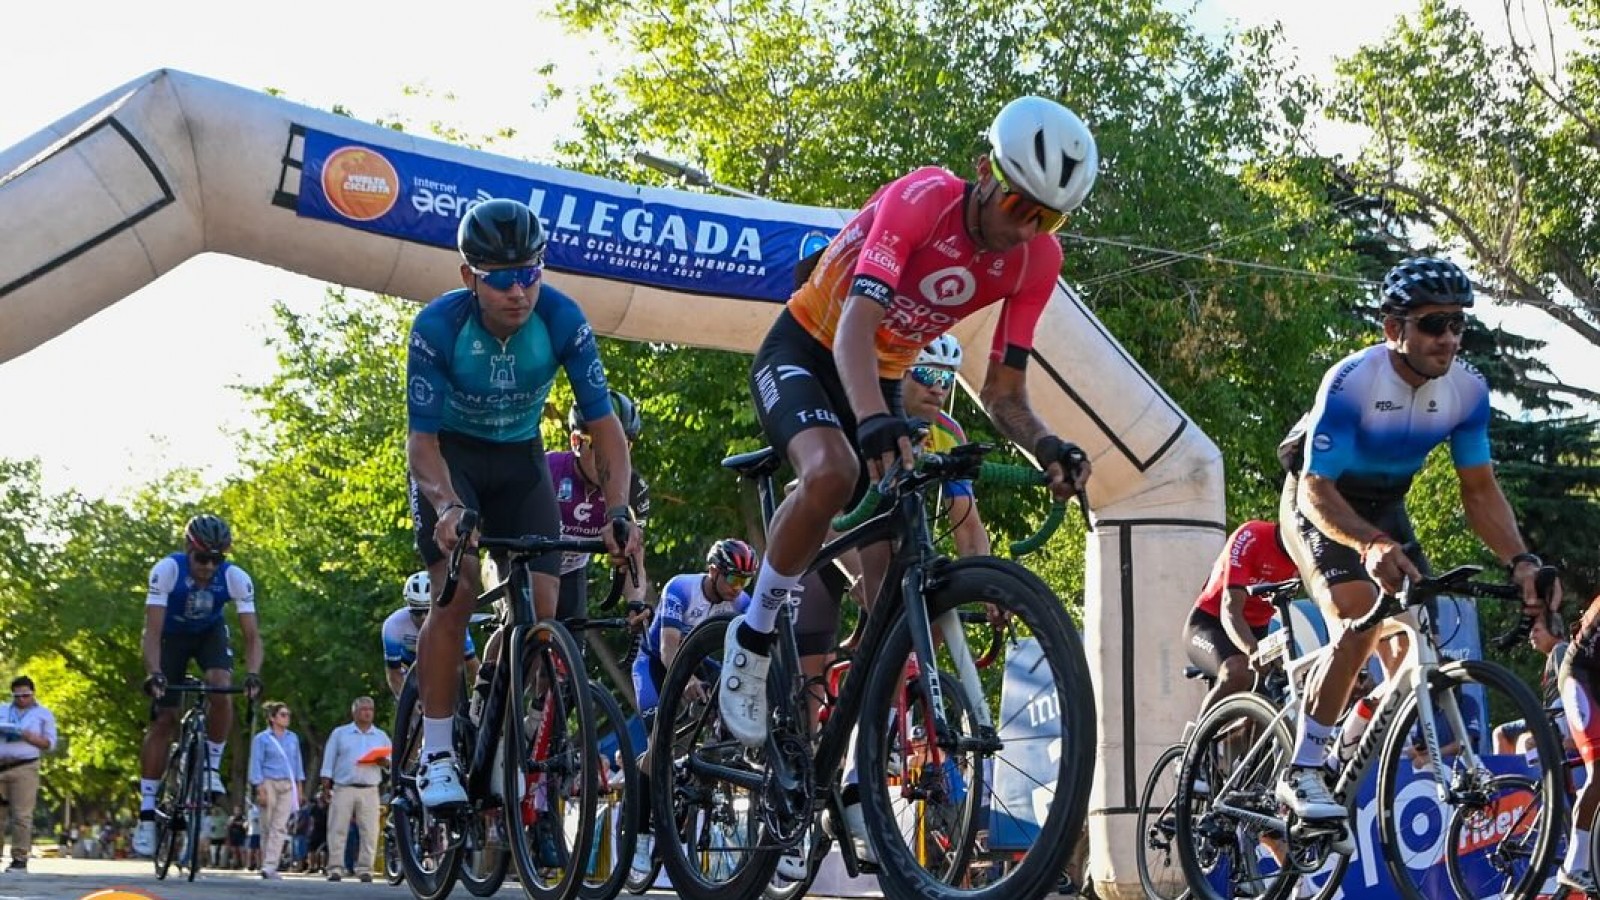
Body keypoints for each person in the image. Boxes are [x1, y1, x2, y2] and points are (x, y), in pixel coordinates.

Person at [719, 98, 1097, 867]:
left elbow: (1004, 392)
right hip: (810, 347)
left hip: (884, 373)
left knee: (893, 581)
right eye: (1020, 206)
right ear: (986, 172)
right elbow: (854, 328)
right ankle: (752, 634)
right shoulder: (922, 199)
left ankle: (854, 761)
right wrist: (870, 423)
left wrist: (1048, 446)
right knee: (834, 470)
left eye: (1048, 218)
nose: (1026, 229)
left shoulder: (1036, 261)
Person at [1273, 256, 1559, 836]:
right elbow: (1315, 489)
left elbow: (1479, 491)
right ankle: (1301, 767)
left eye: (1458, 324)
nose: (1448, 338)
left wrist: (1521, 562)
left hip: (1386, 505)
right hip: (1321, 498)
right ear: (1393, 329)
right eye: (1433, 324)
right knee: (1359, 615)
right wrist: (1369, 546)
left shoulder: (1467, 391)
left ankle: (1347, 740)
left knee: (1417, 637)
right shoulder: (1353, 381)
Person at [405, 197, 642, 811]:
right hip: (452, 460)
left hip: (520, 460)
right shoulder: (437, 327)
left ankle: (503, 729)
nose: (519, 291)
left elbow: (606, 427)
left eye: (530, 273)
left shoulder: (562, 318)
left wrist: (619, 511)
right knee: (456, 592)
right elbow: (421, 444)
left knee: (543, 609)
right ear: (469, 277)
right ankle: (436, 752)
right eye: (502, 278)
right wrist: (447, 507)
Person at [133, 514, 264, 858]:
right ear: (187, 550)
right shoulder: (168, 570)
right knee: (164, 719)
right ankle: (146, 811)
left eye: (216, 560)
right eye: (202, 558)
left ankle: (211, 767)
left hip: (209, 634)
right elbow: (152, 633)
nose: (208, 567)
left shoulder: (235, 577)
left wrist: (253, 673)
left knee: (221, 686)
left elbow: (252, 636)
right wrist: (155, 673)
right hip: (170, 637)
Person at [629, 539, 755, 883]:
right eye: (733, 578)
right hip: (656, 666)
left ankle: (699, 772)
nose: (738, 588)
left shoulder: (739, 601)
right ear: (713, 571)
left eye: (745, 581)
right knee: (658, 746)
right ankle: (640, 837)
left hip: (699, 661)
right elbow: (668, 649)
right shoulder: (681, 588)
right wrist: (685, 681)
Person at [549, 391, 653, 622]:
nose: (610, 457)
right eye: (600, 445)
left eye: (622, 446)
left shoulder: (634, 489)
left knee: (573, 638)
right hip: (525, 562)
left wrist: (635, 602)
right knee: (515, 623)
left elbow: (634, 559)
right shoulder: (548, 470)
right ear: (576, 442)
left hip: (571, 572)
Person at [1181, 520, 1300, 715]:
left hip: (1258, 631)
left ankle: (1250, 734)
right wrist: (1253, 650)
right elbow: (1230, 609)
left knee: (1274, 696)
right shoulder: (1251, 536)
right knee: (1237, 671)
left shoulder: (1307, 554)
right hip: (1211, 623)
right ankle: (1200, 734)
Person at [902, 334, 989, 557]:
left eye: (947, 379)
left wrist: (982, 574)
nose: (938, 389)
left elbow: (967, 524)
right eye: (927, 374)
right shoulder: (871, 412)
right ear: (900, 373)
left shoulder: (949, 433)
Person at [319, 695, 390, 882]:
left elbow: (391, 762)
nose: (367, 713)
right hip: (344, 787)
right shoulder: (340, 733)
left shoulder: (381, 736)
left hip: (370, 788)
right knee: (337, 828)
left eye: (370, 709)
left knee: (370, 830)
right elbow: (329, 759)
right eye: (363, 709)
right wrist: (326, 783)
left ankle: (365, 868)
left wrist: (384, 763)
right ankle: (335, 868)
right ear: (354, 712)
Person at [382, 570, 480, 700]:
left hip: (442, 663)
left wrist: (480, 698)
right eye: (417, 612)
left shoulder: (454, 621)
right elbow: (394, 674)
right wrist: (409, 705)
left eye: (427, 611)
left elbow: (471, 663)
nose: (423, 617)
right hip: (409, 667)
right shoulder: (393, 625)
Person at [0, 675, 58, 872]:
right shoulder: (2, 710)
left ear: (32, 694)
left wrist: (30, 737)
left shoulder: (43, 714)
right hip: (1, 765)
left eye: (25, 695)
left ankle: (20, 857)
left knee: (22, 815)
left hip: (25, 766)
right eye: (17, 696)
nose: (21, 700)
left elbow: (50, 744)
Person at [1492, 612, 1569, 755]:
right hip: (1551, 715)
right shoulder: (1554, 654)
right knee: (1503, 733)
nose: (1531, 636)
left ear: (1554, 631)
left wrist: (1569, 736)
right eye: (1530, 631)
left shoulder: (1560, 651)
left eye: (1536, 630)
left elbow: (1570, 691)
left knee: (1519, 740)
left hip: (1558, 717)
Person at [248, 701, 305, 879]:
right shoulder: (262, 739)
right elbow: (256, 763)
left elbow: (297, 763)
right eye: (283, 715)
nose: (287, 718)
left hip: (287, 784)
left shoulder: (293, 738)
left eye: (288, 715)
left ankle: (270, 865)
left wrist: (299, 787)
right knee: (267, 825)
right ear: (272, 718)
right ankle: (267, 862)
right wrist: (259, 787)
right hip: (268, 782)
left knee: (279, 826)